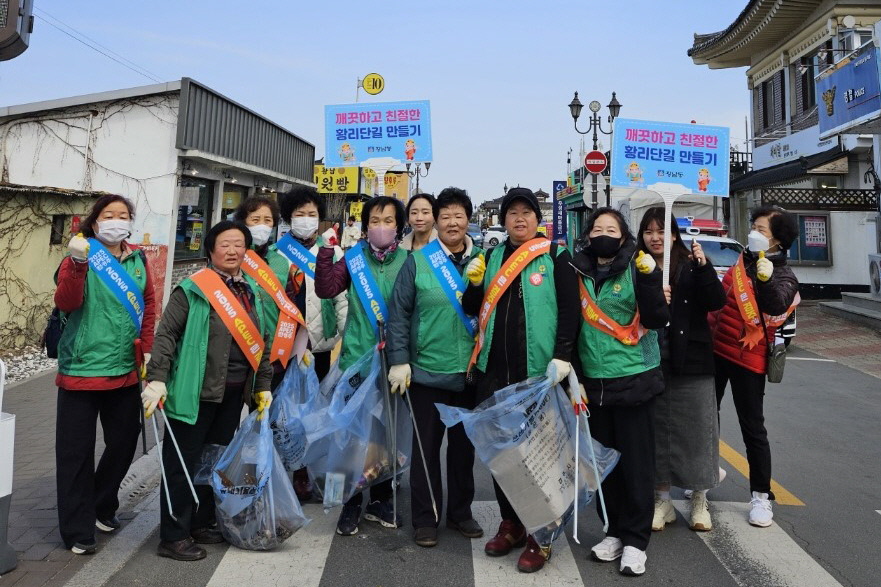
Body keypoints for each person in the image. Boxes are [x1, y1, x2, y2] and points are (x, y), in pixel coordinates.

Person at [461, 187, 579, 573]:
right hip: (496, 374)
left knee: (538, 458)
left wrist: (563, 356)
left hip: (539, 375)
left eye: (526, 212)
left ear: (538, 219)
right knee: (504, 456)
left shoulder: (555, 255)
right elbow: (472, 311)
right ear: (503, 220)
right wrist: (475, 285)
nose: (519, 219)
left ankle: (539, 534)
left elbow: (569, 310)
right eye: (512, 213)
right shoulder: (491, 256)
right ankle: (510, 524)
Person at [142, 220, 273, 561]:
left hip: (231, 395)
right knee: (181, 464)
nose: (232, 251)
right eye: (225, 244)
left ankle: (200, 521)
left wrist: (262, 386)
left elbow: (263, 343)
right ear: (211, 249)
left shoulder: (250, 291)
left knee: (211, 461)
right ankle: (172, 535)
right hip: (194, 393)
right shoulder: (193, 289)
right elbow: (167, 335)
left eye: (239, 244)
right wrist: (156, 378)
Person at [53, 194, 157, 555]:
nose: (117, 220)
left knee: (125, 443)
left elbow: (150, 305)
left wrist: (145, 348)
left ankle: (101, 504)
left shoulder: (138, 259)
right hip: (81, 371)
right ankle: (77, 530)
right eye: (109, 215)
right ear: (95, 222)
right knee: (75, 455)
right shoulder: (79, 255)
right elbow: (66, 302)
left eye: (123, 215)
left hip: (125, 372)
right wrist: (78, 264)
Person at [571, 207, 669, 577]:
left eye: (611, 228)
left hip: (634, 380)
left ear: (624, 235)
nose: (603, 233)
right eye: (596, 228)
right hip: (594, 385)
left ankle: (636, 541)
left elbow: (658, 318)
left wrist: (648, 278)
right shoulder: (577, 269)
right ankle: (613, 530)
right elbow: (572, 324)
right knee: (605, 466)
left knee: (637, 467)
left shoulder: (638, 266)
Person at [387, 187, 484, 548]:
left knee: (463, 450)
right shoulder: (419, 261)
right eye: (446, 216)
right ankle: (425, 519)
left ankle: (461, 513)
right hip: (426, 371)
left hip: (469, 374)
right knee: (426, 450)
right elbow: (398, 314)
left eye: (459, 216)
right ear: (436, 222)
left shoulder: (485, 261)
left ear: (469, 220)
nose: (453, 223)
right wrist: (399, 361)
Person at [315, 195, 409, 536]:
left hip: (395, 362)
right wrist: (327, 251)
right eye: (374, 221)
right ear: (365, 225)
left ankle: (381, 498)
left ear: (398, 226)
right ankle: (351, 502)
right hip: (356, 359)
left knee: (386, 435)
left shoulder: (409, 262)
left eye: (387, 221)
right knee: (352, 435)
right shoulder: (353, 259)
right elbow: (326, 288)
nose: (381, 227)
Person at [636, 208, 726, 533]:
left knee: (699, 431)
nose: (655, 237)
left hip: (694, 361)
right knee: (657, 433)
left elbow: (716, 301)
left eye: (662, 231)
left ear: (674, 234)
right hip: (650, 362)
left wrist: (704, 269)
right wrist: (651, 296)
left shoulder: (691, 264)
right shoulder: (636, 269)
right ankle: (663, 500)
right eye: (648, 231)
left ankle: (699, 498)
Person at [709, 205, 799, 528]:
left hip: (750, 360)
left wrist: (764, 277)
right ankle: (704, 473)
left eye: (761, 230)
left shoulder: (785, 275)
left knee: (752, 429)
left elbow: (777, 303)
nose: (754, 233)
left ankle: (761, 496)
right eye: (755, 227)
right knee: (707, 416)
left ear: (777, 241)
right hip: (718, 352)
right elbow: (718, 302)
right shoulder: (739, 262)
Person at [257, 186, 347, 501]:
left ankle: (305, 474)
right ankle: (279, 470)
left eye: (312, 215)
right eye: (299, 214)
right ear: (288, 218)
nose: (306, 220)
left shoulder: (332, 252)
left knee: (314, 414)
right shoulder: (274, 253)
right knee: (282, 412)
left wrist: (335, 337)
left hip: (318, 347)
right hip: (282, 347)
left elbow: (341, 300)